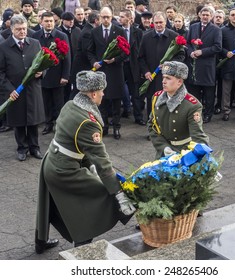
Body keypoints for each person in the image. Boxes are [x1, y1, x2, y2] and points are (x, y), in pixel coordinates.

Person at [35, 70, 135, 253]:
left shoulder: (70, 105)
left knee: (48, 205)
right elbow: (103, 163)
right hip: (65, 170)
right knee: (95, 198)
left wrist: (88, 165)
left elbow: (71, 138)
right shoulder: (88, 122)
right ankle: (82, 246)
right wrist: (119, 194)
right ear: (94, 93)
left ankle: (40, 242)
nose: (104, 94)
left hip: (52, 161)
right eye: (102, 91)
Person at [0, 15, 45, 161]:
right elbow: (1, 72)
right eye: (19, 29)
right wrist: (9, 89)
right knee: (19, 122)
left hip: (33, 89)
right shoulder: (4, 47)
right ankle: (22, 148)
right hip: (15, 91)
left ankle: (35, 148)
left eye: (24, 29)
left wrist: (41, 72)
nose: (22, 32)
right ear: (11, 29)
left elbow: (43, 63)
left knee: (33, 121)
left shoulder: (35, 43)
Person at [148, 61, 209, 159]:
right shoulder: (156, 98)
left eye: (168, 78)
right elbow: (152, 126)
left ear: (179, 82)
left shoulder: (192, 105)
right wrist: (164, 148)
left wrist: (204, 161)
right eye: (163, 77)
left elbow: (198, 136)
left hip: (184, 153)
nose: (163, 81)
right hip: (164, 153)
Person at [87, 6, 128, 140]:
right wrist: (94, 62)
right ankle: (103, 126)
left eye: (108, 17)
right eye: (103, 17)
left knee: (116, 100)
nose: (105, 20)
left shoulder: (119, 30)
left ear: (112, 17)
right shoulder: (95, 32)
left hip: (115, 71)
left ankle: (116, 127)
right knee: (101, 101)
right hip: (101, 71)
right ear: (99, 18)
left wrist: (115, 59)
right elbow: (90, 51)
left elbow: (126, 52)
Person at [138, 11, 185, 121]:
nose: (159, 25)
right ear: (152, 23)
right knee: (152, 103)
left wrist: (169, 65)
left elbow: (181, 55)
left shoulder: (174, 36)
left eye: (161, 22)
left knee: (167, 103)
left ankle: (166, 128)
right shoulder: (146, 36)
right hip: (152, 77)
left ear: (166, 22)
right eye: (156, 22)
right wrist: (146, 72)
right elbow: (140, 57)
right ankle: (152, 127)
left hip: (168, 77)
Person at [32, 11, 71, 135]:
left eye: (51, 21)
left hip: (57, 75)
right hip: (41, 76)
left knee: (58, 103)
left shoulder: (61, 36)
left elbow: (67, 57)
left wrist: (65, 76)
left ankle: (59, 125)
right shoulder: (35, 36)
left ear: (55, 22)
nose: (49, 23)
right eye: (46, 21)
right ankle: (48, 124)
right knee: (46, 102)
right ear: (41, 22)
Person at [186, 7, 222, 123]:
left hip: (207, 66)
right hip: (194, 66)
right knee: (194, 92)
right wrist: (191, 52)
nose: (205, 16)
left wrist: (202, 52)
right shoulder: (193, 27)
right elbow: (187, 43)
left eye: (207, 15)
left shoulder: (216, 30)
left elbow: (217, 47)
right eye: (203, 14)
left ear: (211, 16)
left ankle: (208, 114)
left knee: (209, 93)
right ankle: (196, 113)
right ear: (199, 15)